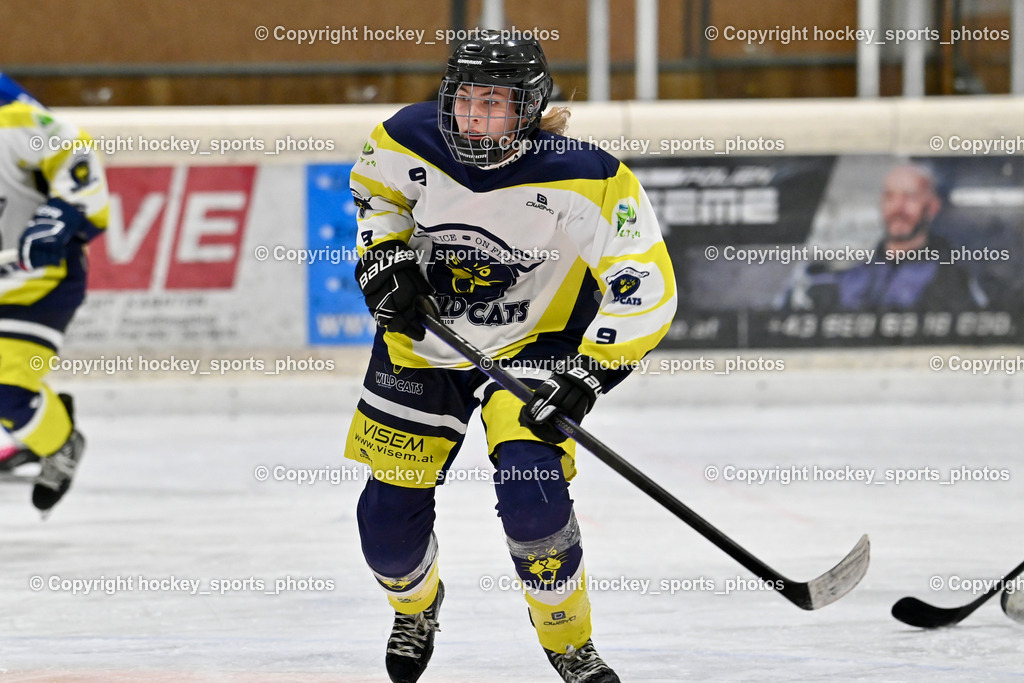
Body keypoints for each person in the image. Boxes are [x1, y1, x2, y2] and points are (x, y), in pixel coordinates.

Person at [345, 31, 676, 683]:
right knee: (385, 520)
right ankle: (416, 607)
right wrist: (383, 256)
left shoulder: (588, 174)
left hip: (537, 345)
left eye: (497, 105)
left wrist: (590, 372)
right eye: (468, 100)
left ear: (530, 108)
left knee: (534, 495)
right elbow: (376, 198)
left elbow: (645, 281)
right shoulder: (404, 139)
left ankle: (568, 641)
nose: (478, 118)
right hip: (427, 344)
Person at [0, 73, 108, 511]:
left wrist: (63, 212)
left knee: (6, 387)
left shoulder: (12, 117)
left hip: (37, 283)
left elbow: (73, 157)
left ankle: (59, 441)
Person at [783, 164, 986, 312]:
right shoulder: (851, 274)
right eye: (890, 197)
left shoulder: (952, 279)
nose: (898, 208)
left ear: (932, 207)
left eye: (910, 197)